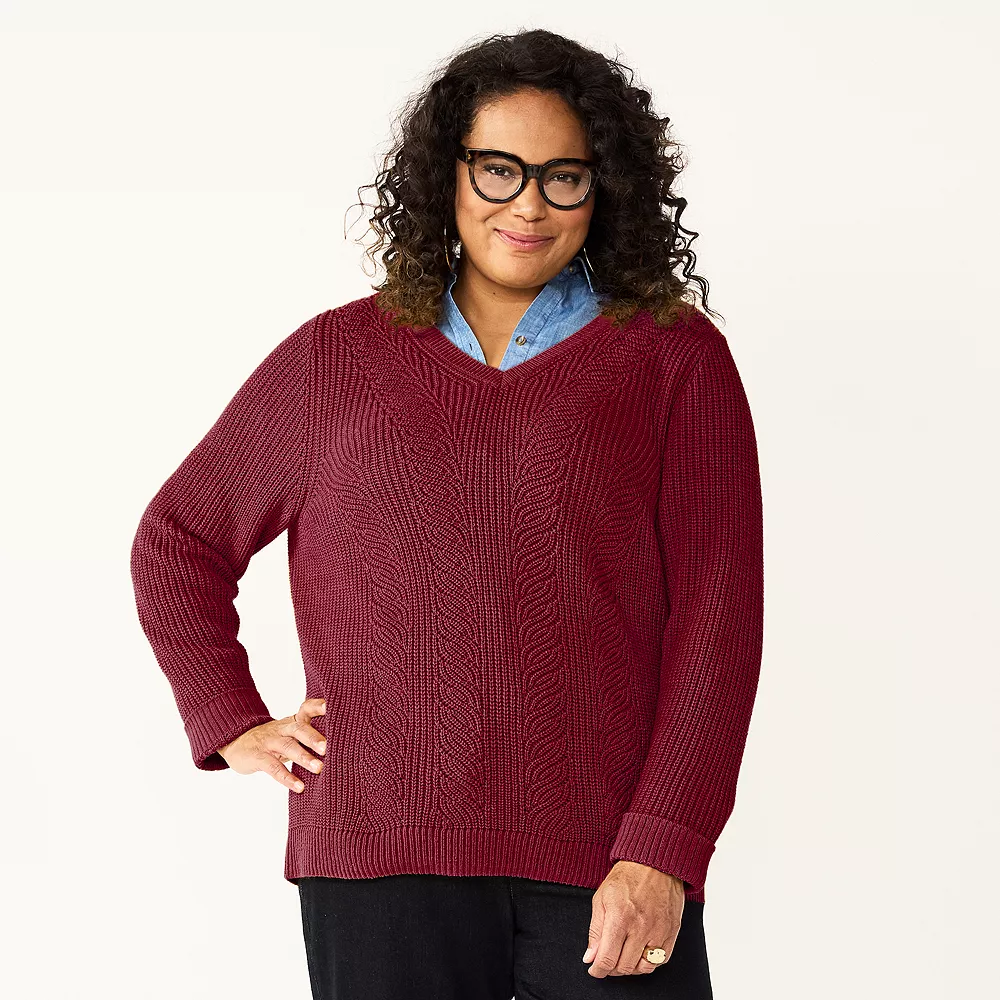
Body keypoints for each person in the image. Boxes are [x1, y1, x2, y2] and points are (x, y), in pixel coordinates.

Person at [130, 27, 764, 1000]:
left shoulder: (673, 359)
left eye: (564, 177)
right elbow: (179, 540)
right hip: (378, 859)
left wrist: (664, 848)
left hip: (607, 861)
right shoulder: (335, 360)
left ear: (604, 189)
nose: (529, 205)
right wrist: (231, 718)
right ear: (449, 175)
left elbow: (718, 622)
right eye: (499, 169)